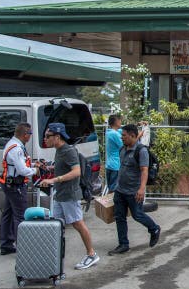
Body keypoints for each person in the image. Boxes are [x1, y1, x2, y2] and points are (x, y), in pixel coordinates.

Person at [40, 123, 100, 270]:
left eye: (48, 136)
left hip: (69, 195)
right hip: (60, 194)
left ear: (57, 137)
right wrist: (49, 168)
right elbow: (63, 167)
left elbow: (76, 172)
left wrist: (54, 180)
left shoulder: (68, 151)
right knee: (56, 224)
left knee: (77, 223)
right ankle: (54, 256)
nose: (45, 139)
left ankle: (91, 254)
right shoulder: (59, 150)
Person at [108, 123, 161, 255]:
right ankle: (123, 244)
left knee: (137, 215)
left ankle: (154, 228)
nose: (122, 138)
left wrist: (142, 189)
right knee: (119, 217)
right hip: (120, 190)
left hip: (134, 191)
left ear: (133, 135)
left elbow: (144, 170)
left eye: (124, 136)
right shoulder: (123, 149)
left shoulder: (141, 151)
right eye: (122, 135)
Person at [0, 122, 37, 255]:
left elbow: (18, 164)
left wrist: (32, 164)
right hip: (16, 185)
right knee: (20, 216)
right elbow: (22, 170)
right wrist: (35, 170)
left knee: (8, 214)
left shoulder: (13, 144)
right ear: (25, 135)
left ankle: (6, 245)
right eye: (30, 134)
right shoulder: (16, 148)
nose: (30, 136)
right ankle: (22, 248)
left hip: (10, 184)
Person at [105, 114, 123, 192]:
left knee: (111, 188)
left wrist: (137, 125)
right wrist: (138, 136)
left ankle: (110, 203)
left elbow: (122, 130)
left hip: (109, 164)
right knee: (114, 190)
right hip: (116, 165)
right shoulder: (114, 134)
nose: (121, 122)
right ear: (116, 122)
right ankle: (113, 204)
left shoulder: (109, 132)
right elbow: (124, 145)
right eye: (120, 120)